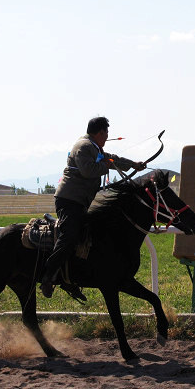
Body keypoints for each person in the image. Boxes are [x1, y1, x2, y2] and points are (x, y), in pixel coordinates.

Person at [40, 117, 146, 298]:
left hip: (79, 201)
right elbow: (88, 171)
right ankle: (48, 275)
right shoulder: (83, 146)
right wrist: (106, 165)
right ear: (99, 133)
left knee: (87, 237)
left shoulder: (94, 148)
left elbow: (113, 159)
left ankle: (70, 278)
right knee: (70, 236)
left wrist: (133, 165)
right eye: (106, 134)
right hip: (69, 200)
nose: (106, 137)